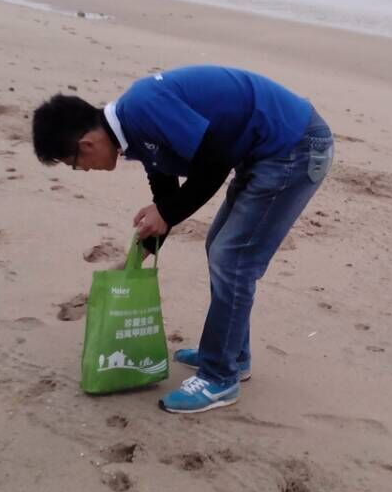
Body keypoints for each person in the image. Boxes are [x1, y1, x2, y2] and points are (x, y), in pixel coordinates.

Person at [31, 65, 334, 413]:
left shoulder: (143, 108)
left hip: (294, 146)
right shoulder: (133, 129)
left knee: (232, 259)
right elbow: (166, 194)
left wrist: (166, 212)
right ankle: (232, 356)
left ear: (86, 144)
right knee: (219, 247)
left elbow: (214, 164)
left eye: (74, 163)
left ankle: (220, 377)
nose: (83, 170)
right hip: (264, 152)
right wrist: (140, 252)